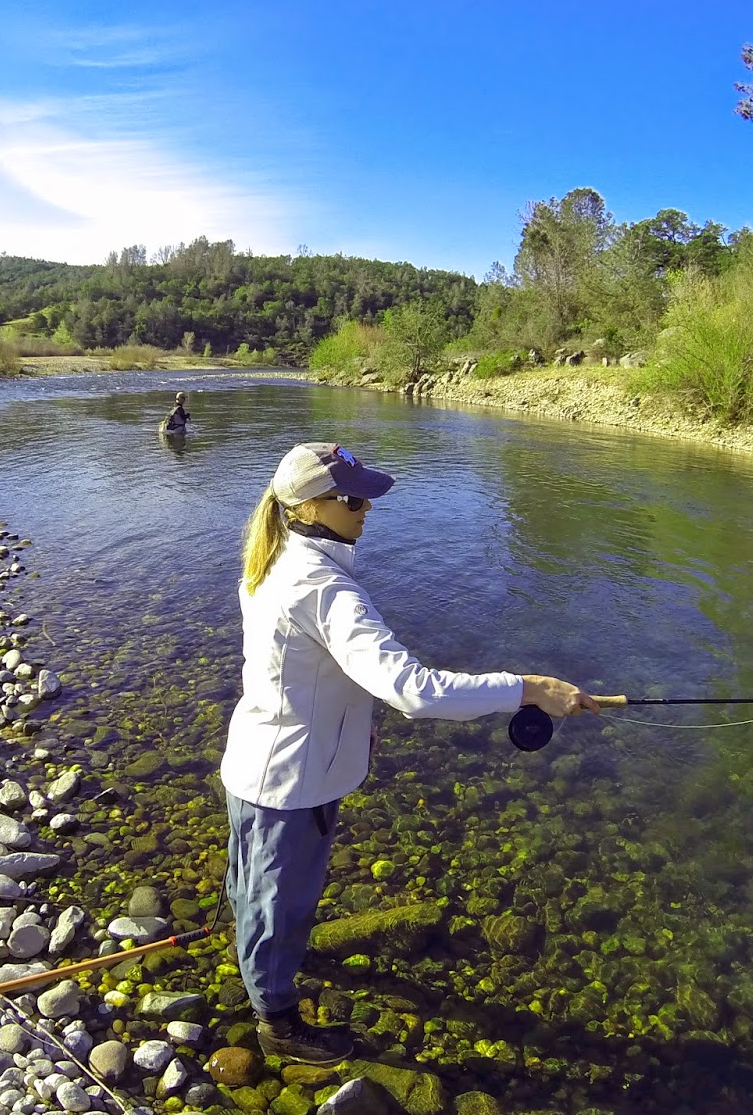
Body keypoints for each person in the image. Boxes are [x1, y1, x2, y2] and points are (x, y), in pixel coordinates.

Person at [220, 441, 599, 1063]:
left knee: (255, 885)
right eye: (353, 498)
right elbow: (415, 692)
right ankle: (276, 1020)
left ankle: (254, 950)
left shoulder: (275, 557)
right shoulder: (324, 587)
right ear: (311, 505)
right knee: (279, 901)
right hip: (290, 783)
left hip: (258, 761)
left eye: (365, 495)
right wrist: (528, 688)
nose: (367, 508)